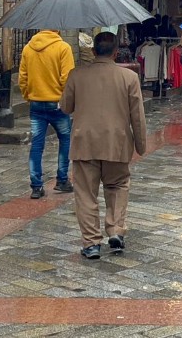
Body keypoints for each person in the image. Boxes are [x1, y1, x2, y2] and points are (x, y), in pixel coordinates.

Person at [60, 32, 146, 260]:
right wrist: (140, 144)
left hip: (85, 143)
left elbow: (65, 107)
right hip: (117, 143)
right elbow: (137, 116)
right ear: (116, 52)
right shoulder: (129, 77)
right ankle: (115, 230)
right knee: (117, 186)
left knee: (85, 194)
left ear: (93, 51)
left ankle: (91, 243)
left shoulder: (76, 75)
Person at [18, 30, 75, 199]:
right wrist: (67, 99)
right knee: (65, 139)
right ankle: (62, 179)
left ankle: (36, 186)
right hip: (57, 103)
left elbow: (23, 77)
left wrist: (28, 95)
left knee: (37, 144)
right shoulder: (63, 48)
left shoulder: (28, 48)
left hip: (36, 102)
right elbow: (67, 79)